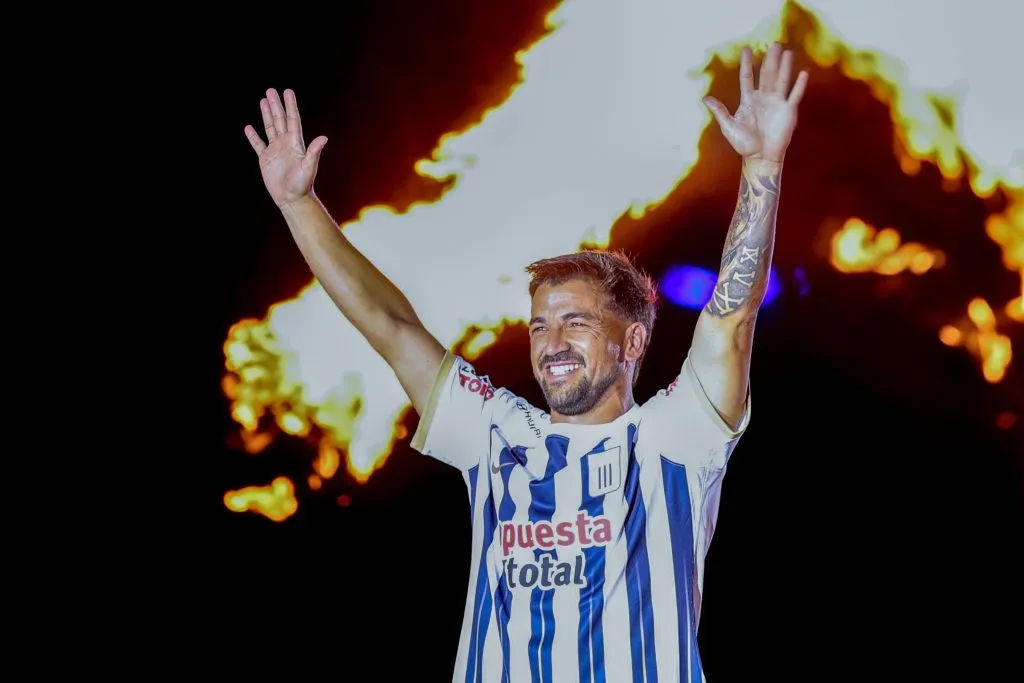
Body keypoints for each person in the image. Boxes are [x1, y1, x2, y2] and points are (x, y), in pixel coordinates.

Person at [245, 42, 808, 683]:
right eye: (540, 325)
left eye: (577, 323)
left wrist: (762, 164)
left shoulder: (673, 439)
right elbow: (392, 327)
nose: (551, 343)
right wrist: (299, 205)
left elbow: (731, 323)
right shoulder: (497, 434)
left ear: (631, 344)